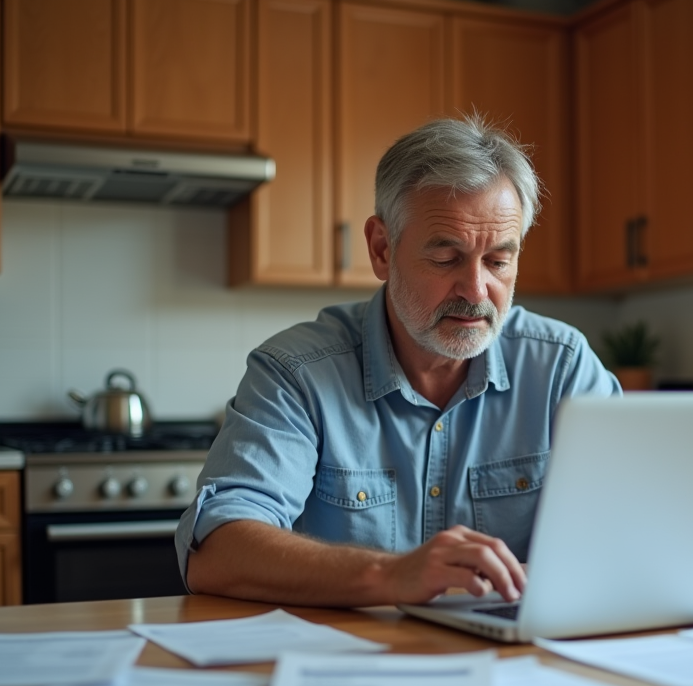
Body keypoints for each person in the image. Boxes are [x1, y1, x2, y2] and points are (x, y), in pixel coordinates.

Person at [176, 115, 620, 608]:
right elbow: (216, 550)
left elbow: (643, 522)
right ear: (382, 249)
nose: (476, 291)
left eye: (498, 261)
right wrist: (389, 576)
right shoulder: (296, 373)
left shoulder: (562, 367)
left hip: (513, 664)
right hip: (345, 664)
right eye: (446, 258)